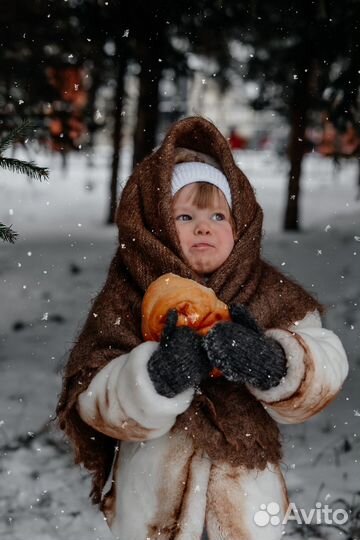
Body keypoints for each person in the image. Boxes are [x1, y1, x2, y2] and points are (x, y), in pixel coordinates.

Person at [56, 116, 348, 540]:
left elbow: (327, 358)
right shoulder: (131, 292)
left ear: (240, 223)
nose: (204, 227)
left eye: (217, 214)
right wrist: (154, 379)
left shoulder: (263, 288)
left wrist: (274, 362)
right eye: (185, 216)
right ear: (156, 226)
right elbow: (91, 395)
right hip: (155, 502)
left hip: (246, 495)